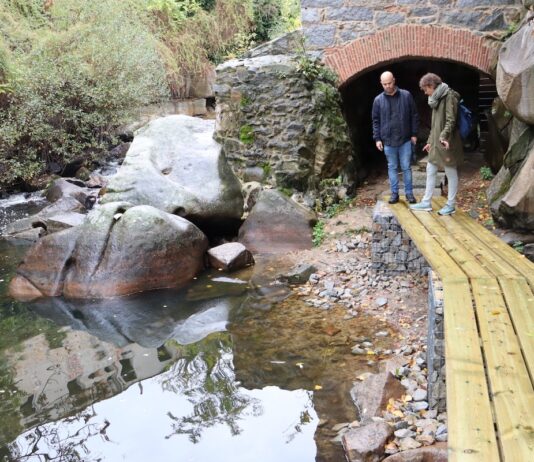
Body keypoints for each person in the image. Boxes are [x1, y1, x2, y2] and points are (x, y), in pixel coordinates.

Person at [410, 73, 464, 216]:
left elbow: (451, 120)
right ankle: (426, 202)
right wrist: (429, 141)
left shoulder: (449, 96)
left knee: (450, 172)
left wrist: (443, 136)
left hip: (447, 141)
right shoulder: (435, 99)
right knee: (430, 168)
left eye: (425, 89)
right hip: (436, 141)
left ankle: (451, 204)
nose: (424, 92)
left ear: (431, 86)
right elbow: (435, 125)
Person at [372, 71, 419, 204]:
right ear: (381, 84)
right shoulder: (378, 100)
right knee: (392, 167)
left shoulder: (406, 95)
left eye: (390, 83)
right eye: (385, 84)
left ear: (394, 80)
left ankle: (409, 194)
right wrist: (377, 139)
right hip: (388, 140)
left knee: (406, 167)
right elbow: (375, 121)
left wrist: (414, 134)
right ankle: (394, 194)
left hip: (405, 139)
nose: (388, 86)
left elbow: (414, 115)